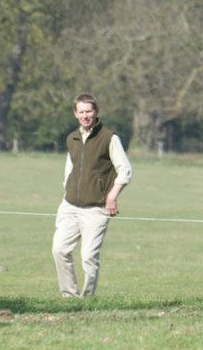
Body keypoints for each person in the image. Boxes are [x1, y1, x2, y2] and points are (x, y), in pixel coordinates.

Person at [51, 93, 132, 297]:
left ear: (96, 112)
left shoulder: (109, 138)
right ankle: (69, 296)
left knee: (88, 256)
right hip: (70, 206)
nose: (85, 115)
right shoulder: (72, 139)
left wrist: (112, 197)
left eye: (89, 111)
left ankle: (86, 300)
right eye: (81, 112)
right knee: (59, 250)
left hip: (96, 209)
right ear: (75, 114)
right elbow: (69, 171)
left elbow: (126, 171)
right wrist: (65, 197)